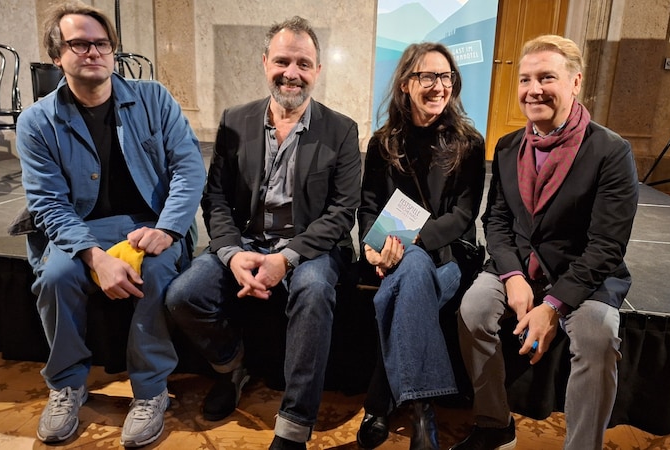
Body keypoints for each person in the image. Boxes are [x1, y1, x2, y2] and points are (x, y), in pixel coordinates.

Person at [164, 16, 361, 450]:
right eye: (283, 61)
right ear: (264, 62)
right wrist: (233, 254)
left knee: (312, 293)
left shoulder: (341, 129)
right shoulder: (236, 120)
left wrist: (286, 258)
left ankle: (293, 425)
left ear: (318, 71)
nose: (292, 73)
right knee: (183, 295)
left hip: (311, 247)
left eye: (304, 64)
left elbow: (342, 212)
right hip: (247, 241)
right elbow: (215, 197)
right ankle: (231, 366)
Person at [15, 1, 206, 447]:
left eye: (101, 43)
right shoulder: (37, 122)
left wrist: (169, 229)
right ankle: (66, 384)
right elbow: (47, 202)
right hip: (79, 227)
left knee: (157, 271)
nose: (92, 52)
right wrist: (92, 256)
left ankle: (151, 391)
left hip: (150, 223)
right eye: (79, 43)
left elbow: (189, 168)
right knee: (58, 275)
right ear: (56, 54)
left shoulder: (154, 98)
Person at [452, 34, 639, 450]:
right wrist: (513, 276)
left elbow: (607, 246)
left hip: (582, 274)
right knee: (474, 309)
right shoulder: (507, 147)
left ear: (575, 82)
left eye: (547, 78)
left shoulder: (611, 151)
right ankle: (494, 423)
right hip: (517, 263)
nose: (533, 89)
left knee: (598, 337)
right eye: (525, 79)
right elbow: (496, 220)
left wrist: (553, 306)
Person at [356, 42, 486, 450]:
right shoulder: (383, 143)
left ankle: (380, 402)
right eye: (427, 76)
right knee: (409, 274)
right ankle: (422, 411)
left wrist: (408, 242)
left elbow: (463, 217)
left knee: (405, 277)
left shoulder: (470, 142)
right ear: (405, 84)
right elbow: (369, 207)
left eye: (446, 77)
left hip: (451, 253)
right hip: (393, 253)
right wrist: (372, 248)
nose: (438, 85)